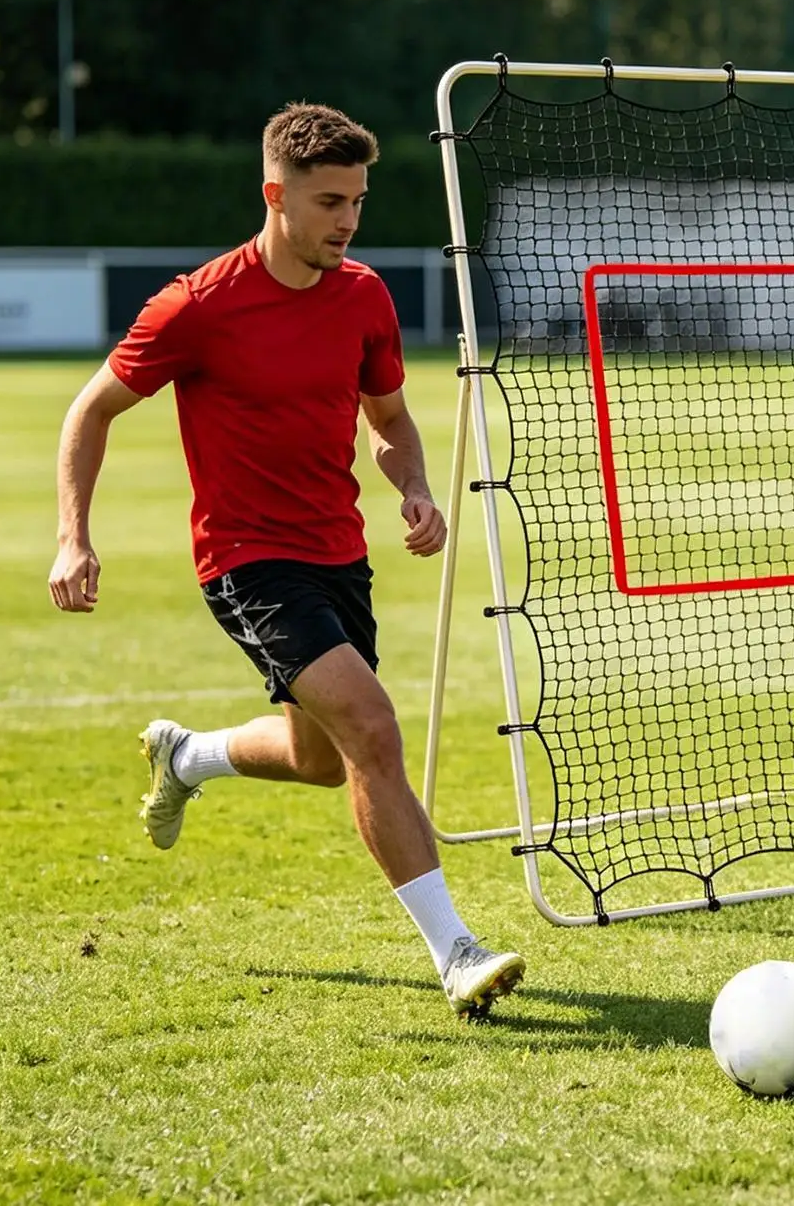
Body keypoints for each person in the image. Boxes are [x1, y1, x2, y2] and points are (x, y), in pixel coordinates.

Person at [48, 103, 525, 1020]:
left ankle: (187, 754)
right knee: (372, 728)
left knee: (320, 758)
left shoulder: (365, 297)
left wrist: (414, 485)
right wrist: (74, 535)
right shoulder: (197, 305)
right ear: (276, 196)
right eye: (329, 202)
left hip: (339, 553)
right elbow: (91, 409)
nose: (348, 220)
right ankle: (456, 952)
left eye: (358, 201)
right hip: (247, 560)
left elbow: (389, 421)